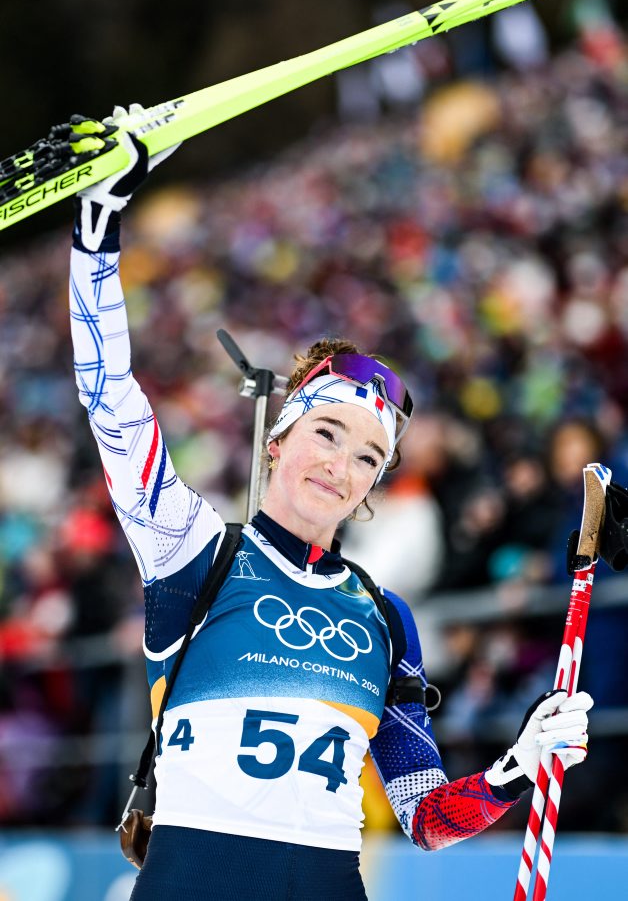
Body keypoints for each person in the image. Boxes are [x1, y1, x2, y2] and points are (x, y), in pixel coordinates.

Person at [68, 109, 593, 901]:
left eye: (368, 457)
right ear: (277, 440)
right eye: (327, 433)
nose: (342, 466)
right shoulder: (193, 552)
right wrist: (98, 227)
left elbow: (425, 818)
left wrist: (517, 767)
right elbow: (110, 398)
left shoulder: (383, 617)